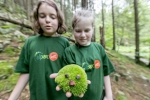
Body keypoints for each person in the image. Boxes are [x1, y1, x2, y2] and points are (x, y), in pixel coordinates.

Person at [8, 0, 70, 100]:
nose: (47, 20)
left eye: (52, 17)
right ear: (37, 19)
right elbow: (25, 72)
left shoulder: (65, 43)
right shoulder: (30, 43)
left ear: (59, 19)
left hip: (61, 96)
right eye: (42, 16)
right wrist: (12, 98)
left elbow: (71, 71)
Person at [62, 9, 115, 100]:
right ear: (73, 30)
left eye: (87, 30)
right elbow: (67, 78)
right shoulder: (69, 52)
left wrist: (108, 95)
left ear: (92, 29)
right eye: (78, 31)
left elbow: (105, 73)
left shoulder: (99, 49)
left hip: (98, 97)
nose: (83, 35)